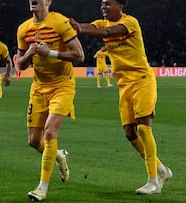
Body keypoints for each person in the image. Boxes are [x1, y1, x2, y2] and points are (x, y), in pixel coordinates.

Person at [70, 0, 173, 195]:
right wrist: (75, 26)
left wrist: (80, 30)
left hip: (142, 79)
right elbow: (92, 27)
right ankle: (161, 170)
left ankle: (153, 181)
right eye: (102, 4)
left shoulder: (130, 22)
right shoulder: (102, 23)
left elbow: (108, 33)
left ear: (120, 6)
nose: (103, 7)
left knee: (143, 127)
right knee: (129, 133)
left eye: (108, 4)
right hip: (123, 84)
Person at [16, 0, 84, 201]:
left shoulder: (60, 22)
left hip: (62, 85)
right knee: (33, 141)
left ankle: (42, 188)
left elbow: (79, 55)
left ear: (48, 1)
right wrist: (28, 53)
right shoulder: (24, 29)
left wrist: (50, 52)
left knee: (50, 132)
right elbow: (21, 64)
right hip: (38, 88)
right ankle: (59, 155)